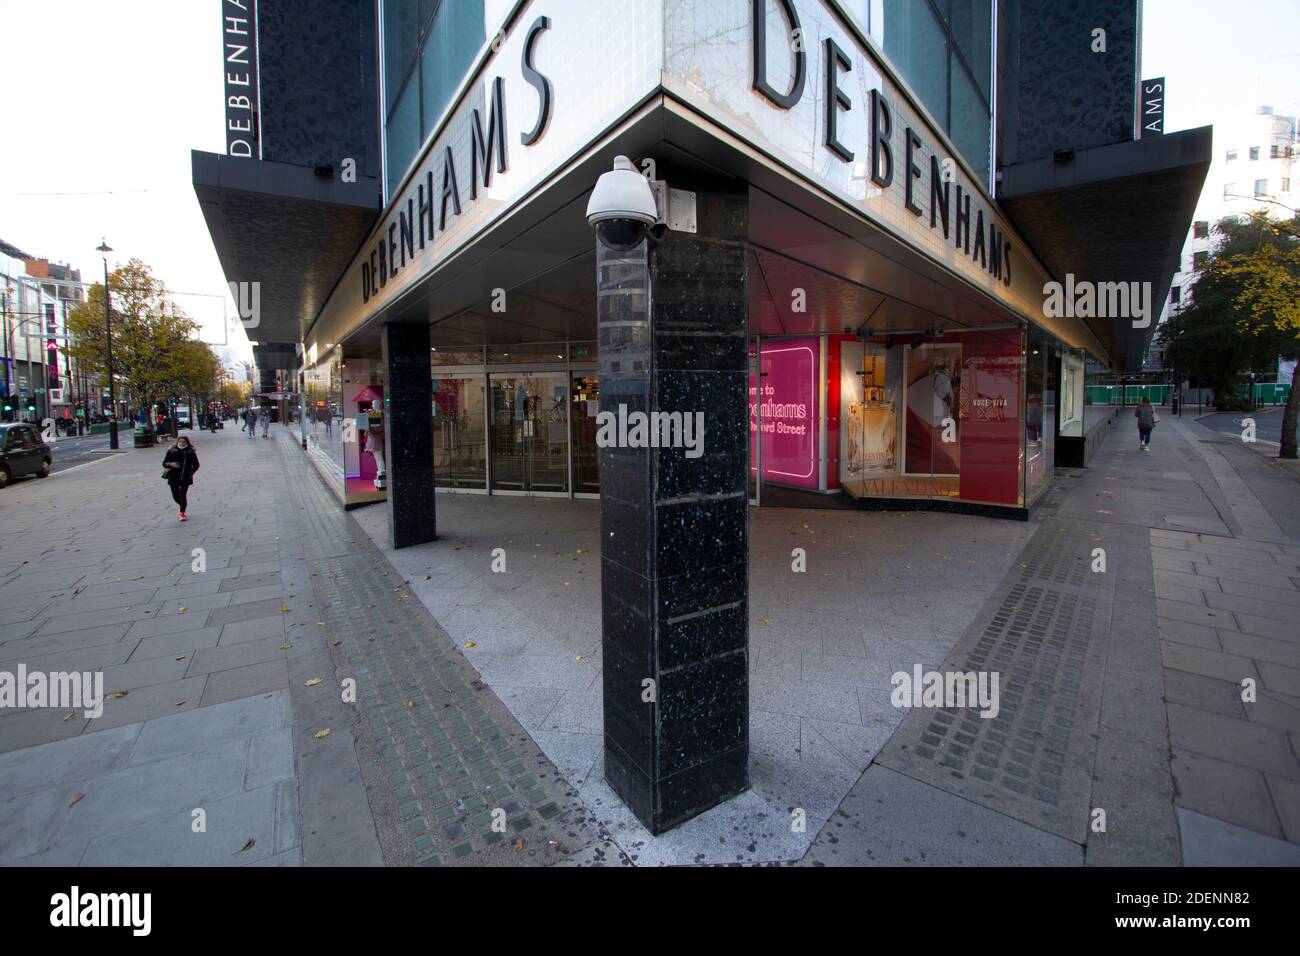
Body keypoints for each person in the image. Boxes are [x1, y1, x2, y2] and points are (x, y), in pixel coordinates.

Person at [162, 435, 200, 521]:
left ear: (187, 443)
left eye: (184, 442)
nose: (182, 443)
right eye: (180, 441)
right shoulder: (172, 451)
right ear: (177, 442)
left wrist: (191, 472)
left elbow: (196, 465)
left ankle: (182, 513)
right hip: (173, 477)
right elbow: (164, 463)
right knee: (175, 495)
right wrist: (171, 464)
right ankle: (183, 505)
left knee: (183, 495)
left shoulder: (190, 452)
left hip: (185, 477)